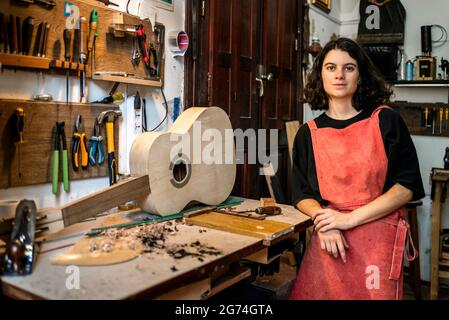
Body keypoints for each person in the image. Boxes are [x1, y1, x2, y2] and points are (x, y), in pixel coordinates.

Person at [289, 37, 425, 300]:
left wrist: (348, 219)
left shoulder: (386, 120)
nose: (339, 75)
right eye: (331, 67)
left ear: (361, 76)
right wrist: (326, 223)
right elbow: (301, 193)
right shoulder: (309, 133)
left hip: (377, 242)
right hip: (329, 240)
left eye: (349, 68)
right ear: (320, 76)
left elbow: (407, 186)